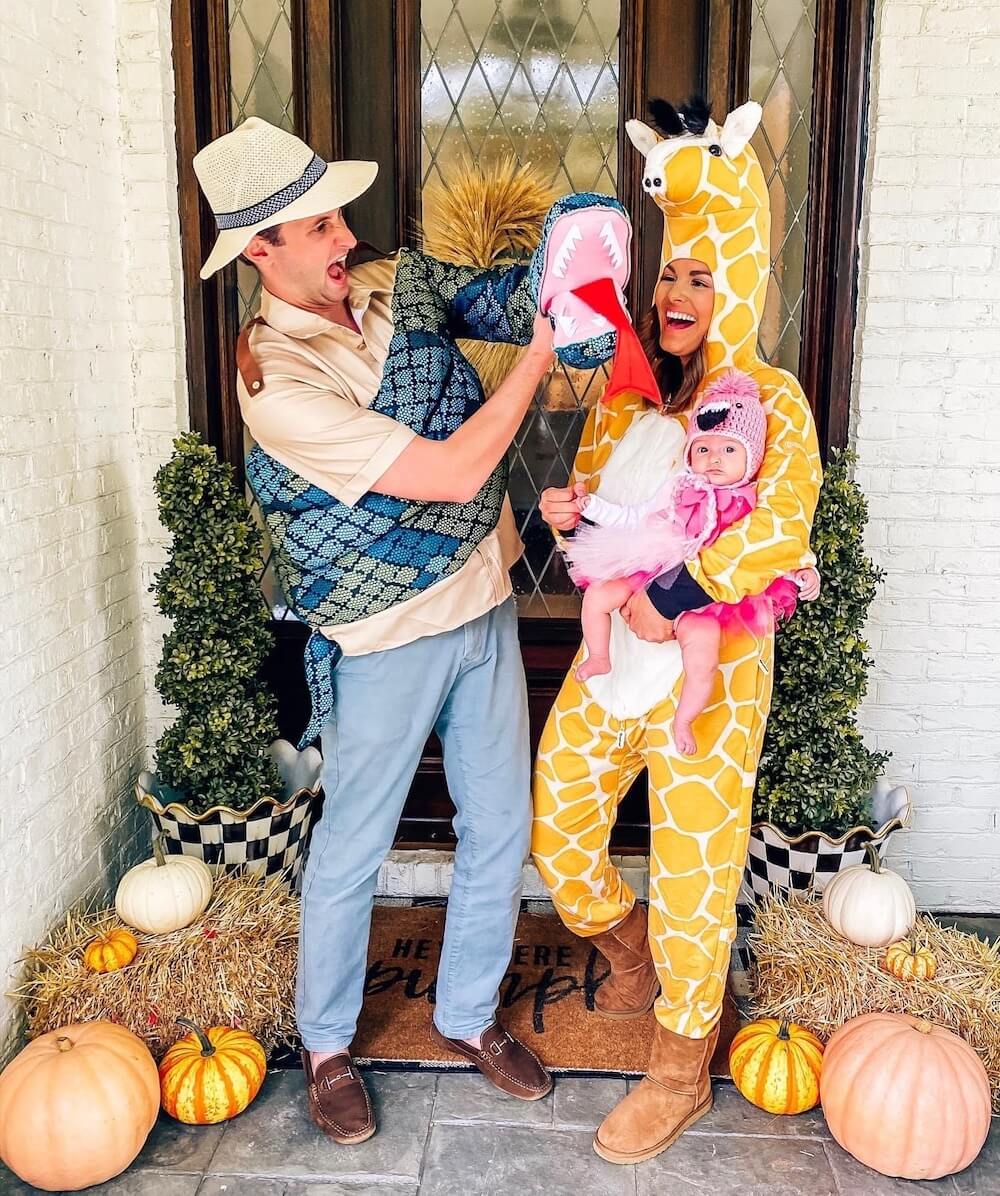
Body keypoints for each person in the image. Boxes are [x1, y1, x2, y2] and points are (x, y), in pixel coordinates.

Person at [191, 116, 569, 1145]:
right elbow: (450, 472)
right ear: (257, 251)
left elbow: (499, 300)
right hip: (384, 636)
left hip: (485, 597)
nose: (341, 237)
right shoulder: (278, 385)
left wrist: (567, 264)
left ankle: (467, 1014)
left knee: (501, 827)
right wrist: (534, 360)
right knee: (354, 845)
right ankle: (324, 1045)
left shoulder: (390, 282)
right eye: (314, 227)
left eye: (336, 216)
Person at [531, 97, 823, 1165]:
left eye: (698, 275)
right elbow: (602, 499)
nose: (674, 291)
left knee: (696, 865)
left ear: (734, 281)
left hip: (712, 660)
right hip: (615, 663)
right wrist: (567, 507)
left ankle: (679, 1063)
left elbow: (779, 530)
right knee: (558, 821)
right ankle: (627, 945)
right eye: (666, 274)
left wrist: (679, 592)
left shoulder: (773, 403)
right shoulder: (625, 395)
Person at [561, 369, 820, 751]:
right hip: (653, 565)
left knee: (702, 657)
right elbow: (636, 516)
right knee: (598, 596)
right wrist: (591, 508)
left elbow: (776, 542)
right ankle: (599, 656)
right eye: (704, 449)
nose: (715, 459)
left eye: (729, 450)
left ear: (751, 459)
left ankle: (684, 721)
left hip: (705, 598)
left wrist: (804, 570)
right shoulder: (679, 488)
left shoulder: (750, 501)